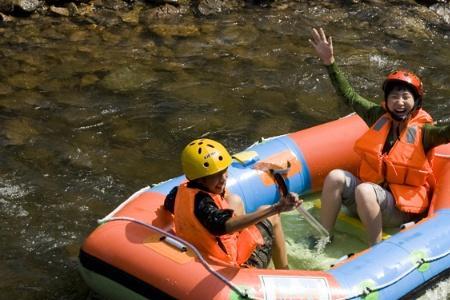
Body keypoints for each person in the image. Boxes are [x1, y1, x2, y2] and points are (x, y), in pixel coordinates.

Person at [309, 27, 450, 246]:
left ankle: (374, 249)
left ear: (417, 103)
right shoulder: (377, 116)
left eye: (406, 97)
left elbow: (447, 133)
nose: (400, 102)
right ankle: (323, 237)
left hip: (399, 209)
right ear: (386, 100)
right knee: (336, 176)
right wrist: (330, 63)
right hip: (367, 199)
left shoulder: (426, 133)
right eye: (394, 96)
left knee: (365, 190)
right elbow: (349, 96)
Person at [164, 138, 301, 268]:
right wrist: (276, 208)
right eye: (215, 175)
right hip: (234, 264)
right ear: (200, 179)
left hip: (204, 252)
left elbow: (169, 204)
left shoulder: (178, 192)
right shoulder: (203, 205)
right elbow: (225, 226)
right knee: (270, 215)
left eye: (224, 171)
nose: (223, 179)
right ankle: (284, 271)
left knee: (234, 200)